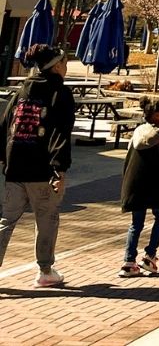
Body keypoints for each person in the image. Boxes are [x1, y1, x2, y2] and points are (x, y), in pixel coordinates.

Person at [0, 44, 77, 288]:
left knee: (7, 220)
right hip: (41, 169)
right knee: (46, 219)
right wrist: (59, 168)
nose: (66, 68)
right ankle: (45, 271)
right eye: (64, 63)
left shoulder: (22, 91)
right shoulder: (60, 93)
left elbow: (5, 126)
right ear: (56, 66)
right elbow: (60, 133)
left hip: (14, 165)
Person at [120, 94, 159, 277]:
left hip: (134, 183)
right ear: (158, 115)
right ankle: (150, 255)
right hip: (154, 184)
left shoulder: (138, 132)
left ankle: (129, 262)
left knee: (136, 224)